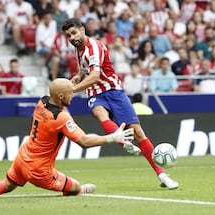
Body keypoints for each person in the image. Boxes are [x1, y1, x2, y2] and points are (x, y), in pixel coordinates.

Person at [0, 78, 134, 200]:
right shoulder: (61, 118)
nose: (73, 96)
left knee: (7, 185)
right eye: (70, 94)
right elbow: (83, 141)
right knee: (74, 187)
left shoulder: (42, 101)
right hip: (39, 170)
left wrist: (70, 84)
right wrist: (112, 137)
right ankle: (79, 189)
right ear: (61, 96)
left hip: (22, 158)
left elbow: (59, 95)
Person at [62, 18, 178, 190]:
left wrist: (73, 89)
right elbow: (87, 71)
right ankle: (124, 143)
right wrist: (79, 76)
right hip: (95, 93)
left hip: (113, 90)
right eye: (68, 36)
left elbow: (94, 76)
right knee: (99, 113)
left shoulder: (94, 47)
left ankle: (162, 174)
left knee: (138, 132)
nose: (71, 37)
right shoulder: (78, 49)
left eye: (73, 33)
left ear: (82, 30)